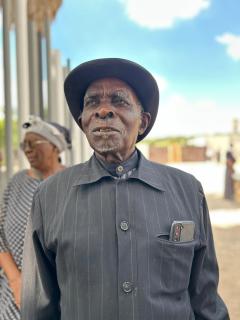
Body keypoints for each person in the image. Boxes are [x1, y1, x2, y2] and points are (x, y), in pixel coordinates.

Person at [21, 58, 229, 320]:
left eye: (119, 101)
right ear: (83, 121)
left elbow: (206, 300)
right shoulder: (48, 196)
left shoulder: (188, 191)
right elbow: (38, 306)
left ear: (142, 122)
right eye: (92, 102)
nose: (103, 110)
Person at [0, 115, 71, 320]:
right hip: (14, 293)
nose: (27, 149)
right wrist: (16, 281)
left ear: (56, 147)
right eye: (24, 144)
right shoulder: (16, 183)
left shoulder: (73, 182)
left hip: (61, 294)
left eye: (34, 143)